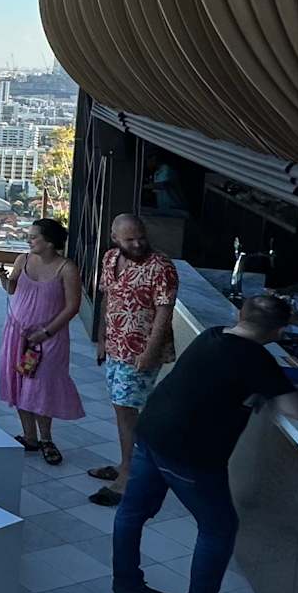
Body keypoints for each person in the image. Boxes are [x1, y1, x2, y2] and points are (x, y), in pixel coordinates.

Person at [110, 292, 298, 593]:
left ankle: (125, 584)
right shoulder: (257, 360)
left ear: (240, 315)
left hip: (150, 433)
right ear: (280, 332)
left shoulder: (213, 335)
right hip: (189, 454)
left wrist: (271, 389)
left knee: (133, 512)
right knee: (218, 528)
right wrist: (290, 394)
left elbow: (233, 378)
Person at [89, 214, 178, 506]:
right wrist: (102, 338)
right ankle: (126, 463)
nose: (138, 244)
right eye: (130, 239)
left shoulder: (161, 266)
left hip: (140, 351)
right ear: (115, 238)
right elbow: (107, 298)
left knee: (126, 409)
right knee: (120, 408)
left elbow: (164, 312)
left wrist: (150, 352)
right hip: (115, 345)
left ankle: (129, 475)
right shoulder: (110, 258)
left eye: (141, 237)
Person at [0, 217, 84, 465]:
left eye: (34, 237)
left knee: (42, 386)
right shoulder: (22, 260)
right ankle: (29, 436)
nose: (28, 241)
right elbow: (11, 289)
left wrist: (47, 332)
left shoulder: (67, 268)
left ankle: (46, 439)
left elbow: (73, 306)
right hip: (17, 334)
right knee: (19, 383)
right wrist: (4, 278)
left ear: (50, 242)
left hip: (49, 338)